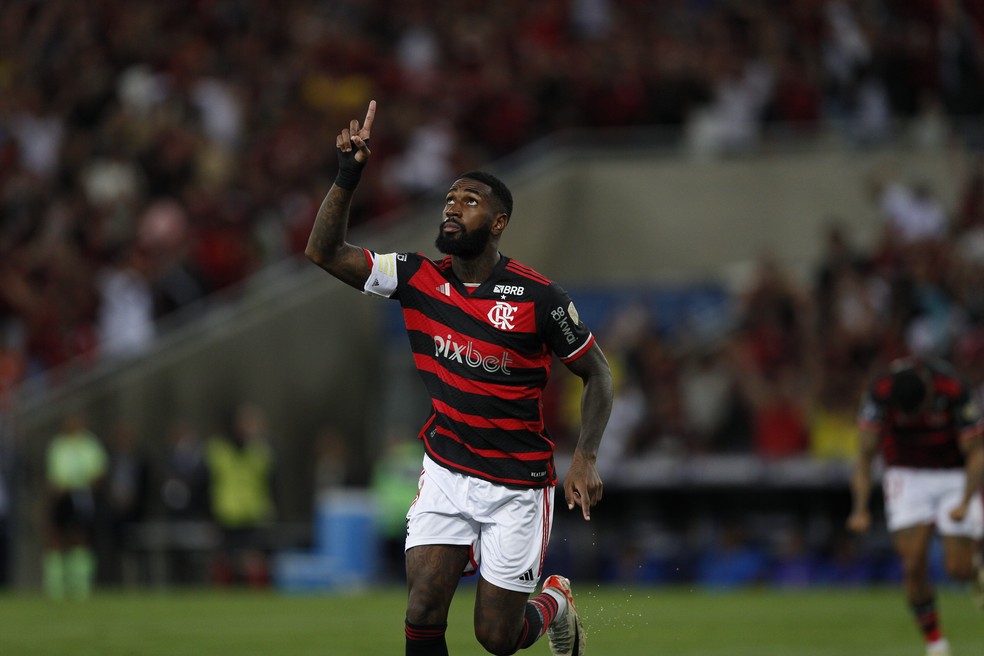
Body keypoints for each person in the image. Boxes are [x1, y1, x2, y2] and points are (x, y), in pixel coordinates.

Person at [305, 100, 613, 656]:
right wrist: (349, 174)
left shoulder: (538, 297)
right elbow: (322, 251)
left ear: (497, 223)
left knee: (496, 637)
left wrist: (586, 456)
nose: (453, 208)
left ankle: (556, 601)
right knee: (422, 606)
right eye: (449, 199)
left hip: (517, 484)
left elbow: (598, 374)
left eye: (469, 202)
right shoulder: (416, 277)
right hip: (446, 469)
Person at [847, 357, 984, 656]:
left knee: (957, 569)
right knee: (912, 563)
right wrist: (859, 508)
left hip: (954, 473)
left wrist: (964, 500)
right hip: (906, 473)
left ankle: (975, 569)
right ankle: (935, 642)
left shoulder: (953, 388)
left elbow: (976, 453)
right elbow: (864, 453)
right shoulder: (880, 392)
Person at [42, 412, 109, 600]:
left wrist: (83, 484)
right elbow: (52, 475)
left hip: (80, 494)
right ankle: (55, 584)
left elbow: (99, 471)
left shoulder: (90, 444)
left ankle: (79, 583)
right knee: (55, 536)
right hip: (60, 495)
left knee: (79, 536)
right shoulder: (58, 445)